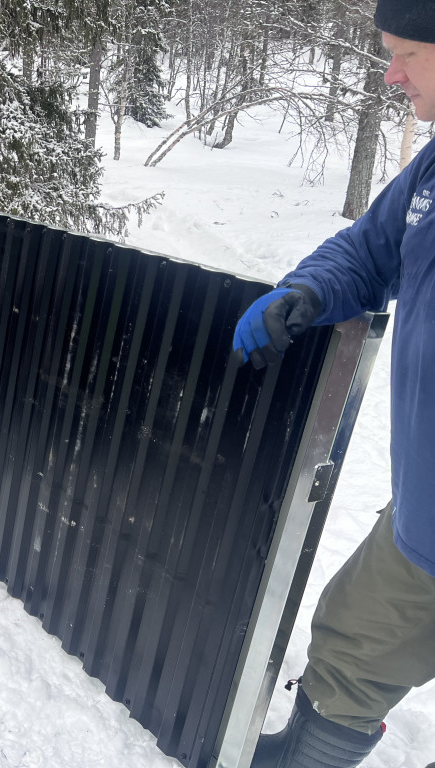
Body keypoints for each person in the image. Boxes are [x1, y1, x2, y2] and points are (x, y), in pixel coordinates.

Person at [232, 2, 435, 766]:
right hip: (424, 508)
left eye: (409, 53)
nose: (391, 74)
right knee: (351, 638)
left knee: (356, 646)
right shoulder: (434, 170)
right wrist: (310, 292)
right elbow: (370, 250)